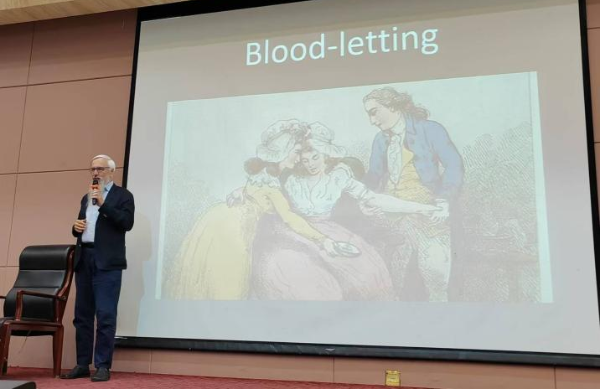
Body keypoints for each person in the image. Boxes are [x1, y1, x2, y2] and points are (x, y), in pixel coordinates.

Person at [251, 122, 439, 301]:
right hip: (292, 230)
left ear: (326, 156)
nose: (310, 164)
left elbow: (373, 198)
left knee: (367, 273)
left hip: (329, 229)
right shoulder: (290, 177)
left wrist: (422, 208)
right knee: (302, 275)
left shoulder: (338, 178)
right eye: (305, 160)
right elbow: (265, 191)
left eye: (315, 157)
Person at [164, 119, 338, 301]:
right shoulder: (271, 184)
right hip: (233, 228)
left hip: (220, 217)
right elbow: (289, 218)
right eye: (296, 152)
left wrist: (241, 191)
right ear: (283, 152)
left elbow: (256, 195)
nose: (299, 157)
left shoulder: (266, 175)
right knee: (228, 285)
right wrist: (322, 239)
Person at [363, 87, 464, 301]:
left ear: (392, 106)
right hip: (392, 214)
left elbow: (454, 165)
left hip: (428, 212)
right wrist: (365, 199)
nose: (372, 121)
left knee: (436, 275)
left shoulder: (430, 130)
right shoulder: (380, 140)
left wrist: (444, 200)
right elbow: (373, 176)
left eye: (374, 112)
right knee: (386, 277)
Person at [61, 155, 135, 382]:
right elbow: (82, 227)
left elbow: (127, 223)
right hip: (85, 259)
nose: (95, 173)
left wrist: (104, 204)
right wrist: (75, 228)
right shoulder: (86, 197)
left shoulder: (123, 195)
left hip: (108, 262)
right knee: (82, 316)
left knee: (105, 315)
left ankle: (103, 365)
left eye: (100, 169)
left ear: (112, 171)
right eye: (92, 169)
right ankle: (82, 364)